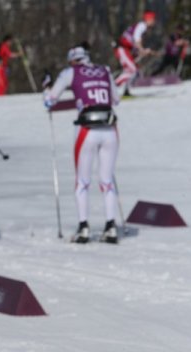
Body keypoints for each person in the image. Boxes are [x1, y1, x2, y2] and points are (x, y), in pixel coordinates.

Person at [43, 45, 121, 244]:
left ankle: (83, 228)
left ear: (72, 61)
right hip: (110, 129)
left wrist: (46, 86)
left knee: (82, 182)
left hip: (86, 129)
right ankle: (111, 226)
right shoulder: (105, 70)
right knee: (107, 181)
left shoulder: (70, 72)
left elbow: (50, 101)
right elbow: (117, 99)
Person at [114, 10, 156, 96]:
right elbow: (137, 40)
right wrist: (142, 50)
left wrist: (142, 52)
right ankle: (111, 87)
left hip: (126, 49)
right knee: (132, 70)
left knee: (134, 72)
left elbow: (134, 44)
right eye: (153, 19)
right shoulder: (142, 26)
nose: (154, 22)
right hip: (122, 49)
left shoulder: (142, 27)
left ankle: (126, 91)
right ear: (149, 19)